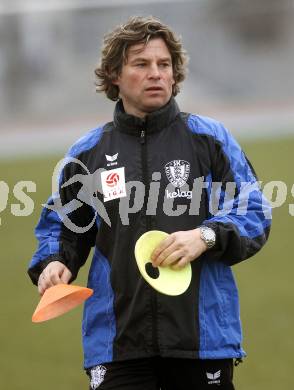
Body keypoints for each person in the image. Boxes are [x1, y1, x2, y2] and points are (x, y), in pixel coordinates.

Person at [28, 16, 271, 390]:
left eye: (164, 65)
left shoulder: (209, 138)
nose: (156, 73)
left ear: (175, 75)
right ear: (114, 75)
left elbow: (252, 210)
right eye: (141, 64)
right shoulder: (88, 153)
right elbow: (63, 225)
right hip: (117, 343)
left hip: (201, 341)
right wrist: (55, 261)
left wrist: (205, 236)